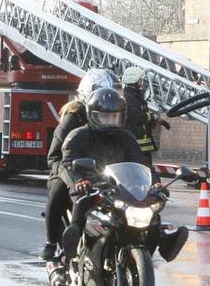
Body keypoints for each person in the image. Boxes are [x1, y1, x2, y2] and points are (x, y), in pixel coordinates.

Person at [41, 68, 118, 261]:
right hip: (68, 170)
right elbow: (54, 157)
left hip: (100, 170)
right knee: (57, 191)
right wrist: (74, 180)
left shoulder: (113, 115)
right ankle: (51, 243)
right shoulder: (73, 118)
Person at [60, 87, 149, 252]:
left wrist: (155, 183)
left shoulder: (127, 137)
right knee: (82, 200)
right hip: (90, 185)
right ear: (93, 115)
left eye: (114, 117)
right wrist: (79, 180)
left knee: (150, 207)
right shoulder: (78, 135)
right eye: (105, 116)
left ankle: (161, 237)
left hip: (120, 187)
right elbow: (68, 162)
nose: (110, 121)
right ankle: (74, 240)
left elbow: (142, 163)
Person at [121, 66, 170, 168]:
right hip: (137, 145)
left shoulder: (135, 95)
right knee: (143, 170)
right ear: (134, 79)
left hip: (142, 145)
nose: (142, 82)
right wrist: (152, 117)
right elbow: (138, 117)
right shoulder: (129, 97)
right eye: (140, 79)